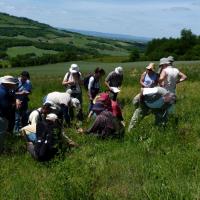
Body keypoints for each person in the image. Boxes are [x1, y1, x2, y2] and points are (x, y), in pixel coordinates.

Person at [0, 76, 18, 152]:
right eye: (13, 84)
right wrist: (14, 105)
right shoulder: (4, 92)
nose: (14, 86)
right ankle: (1, 151)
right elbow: (5, 106)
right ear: (8, 84)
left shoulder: (1, 89)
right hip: (2, 116)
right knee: (1, 134)